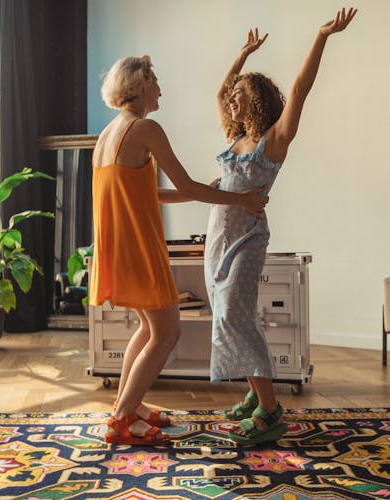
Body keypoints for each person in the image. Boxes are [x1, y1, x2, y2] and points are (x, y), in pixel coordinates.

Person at [91, 55, 268, 446]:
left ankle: (128, 403)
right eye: (154, 79)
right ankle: (121, 420)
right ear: (138, 85)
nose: (159, 87)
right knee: (167, 332)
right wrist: (238, 200)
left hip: (115, 245)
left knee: (149, 328)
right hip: (137, 246)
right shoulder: (145, 128)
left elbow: (147, 193)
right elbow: (186, 184)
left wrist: (204, 194)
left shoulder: (109, 134)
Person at [205, 7, 357, 445]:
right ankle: (257, 398)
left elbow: (300, 88)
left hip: (247, 237)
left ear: (256, 99)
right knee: (230, 318)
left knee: (236, 315)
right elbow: (219, 91)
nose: (231, 99)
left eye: (239, 94)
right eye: (232, 94)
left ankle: (270, 412)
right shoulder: (234, 137)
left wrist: (322, 36)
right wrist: (241, 55)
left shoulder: (274, 140)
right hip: (219, 234)